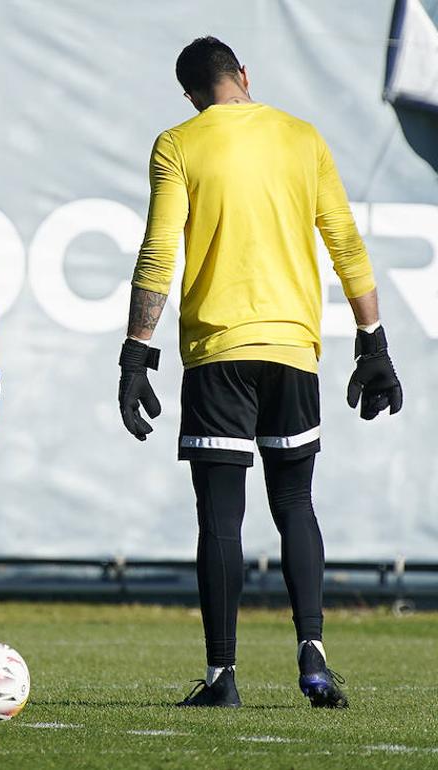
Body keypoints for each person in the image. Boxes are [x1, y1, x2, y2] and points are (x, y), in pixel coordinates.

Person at [118, 37, 403, 709]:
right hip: (293, 351)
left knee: (221, 519)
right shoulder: (303, 137)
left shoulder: (178, 143)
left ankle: (223, 678)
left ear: (191, 95)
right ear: (245, 76)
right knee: (296, 504)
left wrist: (137, 351)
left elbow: (159, 251)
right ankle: (314, 652)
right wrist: (374, 339)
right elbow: (344, 240)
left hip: (219, 354)